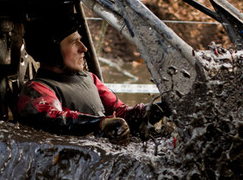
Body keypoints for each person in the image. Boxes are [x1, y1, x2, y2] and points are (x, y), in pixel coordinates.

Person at [16, 15, 161, 145]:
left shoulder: (90, 78)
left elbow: (121, 114)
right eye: (74, 42)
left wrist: (156, 109)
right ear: (52, 51)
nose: (83, 48)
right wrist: (100, 123)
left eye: (81, 41)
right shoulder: (36, 89)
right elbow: (54, 119)